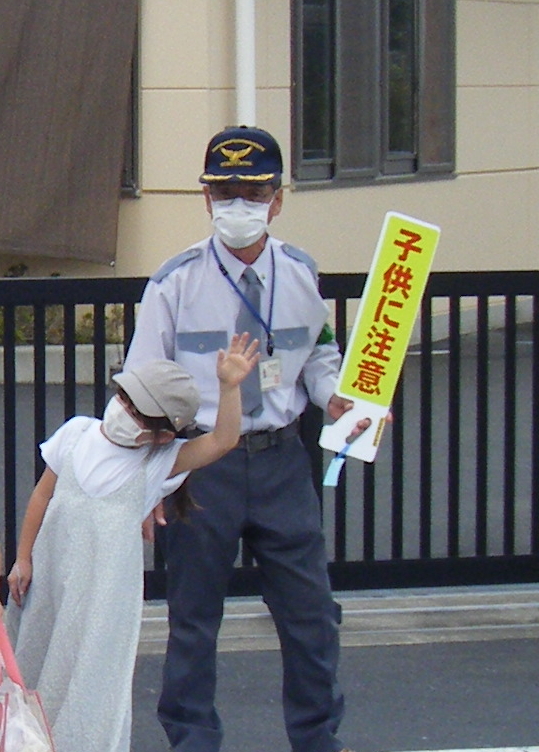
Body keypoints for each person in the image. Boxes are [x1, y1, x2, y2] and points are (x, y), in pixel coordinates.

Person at [123, 125, 365, 752]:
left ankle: (318, 740)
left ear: (277, 199)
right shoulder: (174, 282)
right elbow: (142, 389)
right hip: (203, 466)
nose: (238, 205)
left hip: (283, 459)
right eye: (224, 192)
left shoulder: (301, 272)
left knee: (312, 617)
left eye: (252, 192)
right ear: (206, 200)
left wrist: (336, 395)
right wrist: (147, 481)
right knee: (194, 619)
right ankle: (193, 741)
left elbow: (316, 356)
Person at [4, 334, 260, 752]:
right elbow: (42, 495)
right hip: (49, 578)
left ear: (161, 435)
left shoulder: (159, 462)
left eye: (139, 413)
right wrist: (23, 557)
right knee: (33, 656)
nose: (122, 410)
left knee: (88, 679)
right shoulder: (77, 433)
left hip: (103, 600)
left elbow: (222, 440)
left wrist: (229, 387)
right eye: (124, 398)